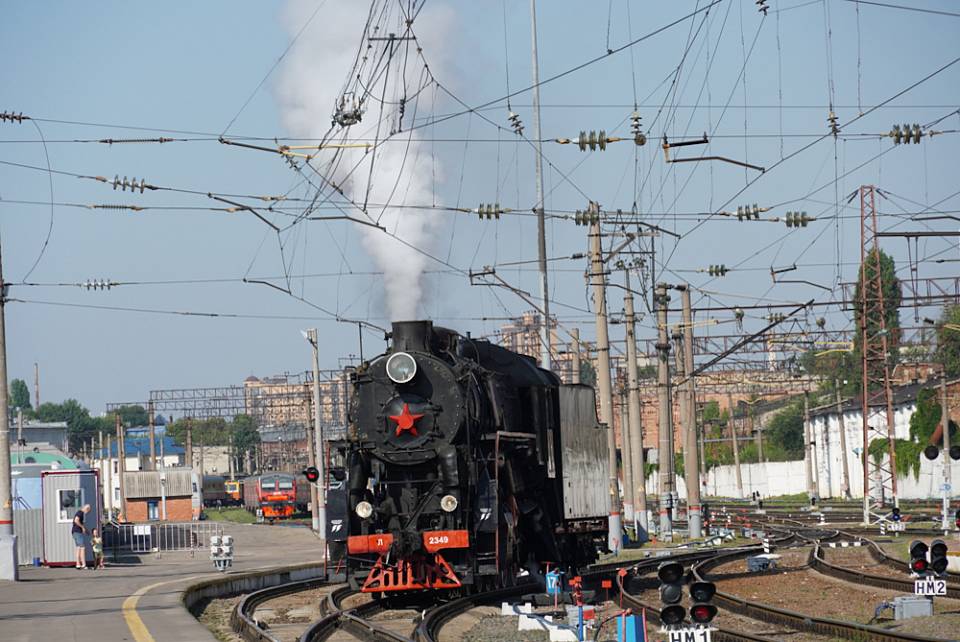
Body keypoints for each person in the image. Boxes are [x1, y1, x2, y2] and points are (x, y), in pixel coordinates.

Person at [72, 503, 92, 569]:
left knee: (79, 548)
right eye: (88, 511)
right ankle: (84, 564)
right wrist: (82, 527)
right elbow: (76, 520)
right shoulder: (80, 513)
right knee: (83, 547)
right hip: (77, 532)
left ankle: (78, 564)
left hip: (75, 532)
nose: (87, 513)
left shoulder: (79, 512)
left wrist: (86, 530)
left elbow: (79, 522)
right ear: (87, 509)